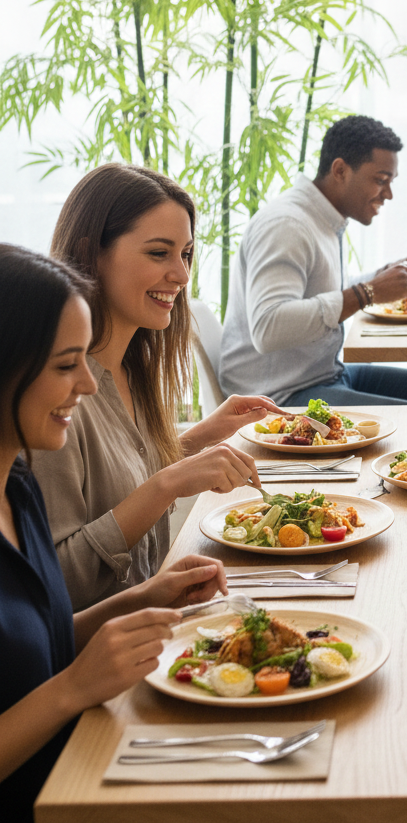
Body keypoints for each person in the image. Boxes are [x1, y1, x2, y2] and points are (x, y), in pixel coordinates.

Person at [0, 244, 228, 822]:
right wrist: (72, 689)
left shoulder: (17, 491)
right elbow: (54, 680)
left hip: (85, 764)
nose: (89, 384)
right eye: (64, 365)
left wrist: (144, 598)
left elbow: (42, 643)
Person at [33, 164, 269, 610]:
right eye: (159, 253)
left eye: (185, 255)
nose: (181, 275)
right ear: (91, 255)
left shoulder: (133, 365)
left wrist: (199, 437)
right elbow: (54, 585)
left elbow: (122, 477)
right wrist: (166, 486)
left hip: (156, 622)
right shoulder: (56, 394)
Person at [219, 114, 407, 406]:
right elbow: (268, 327)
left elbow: (317, 293)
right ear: (340, 170)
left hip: (323, 376)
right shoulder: (287, 225)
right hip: (278, 397)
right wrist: (368, 293)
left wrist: (383, 277)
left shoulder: (321, 219)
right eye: (380, 180)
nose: (388, 194)